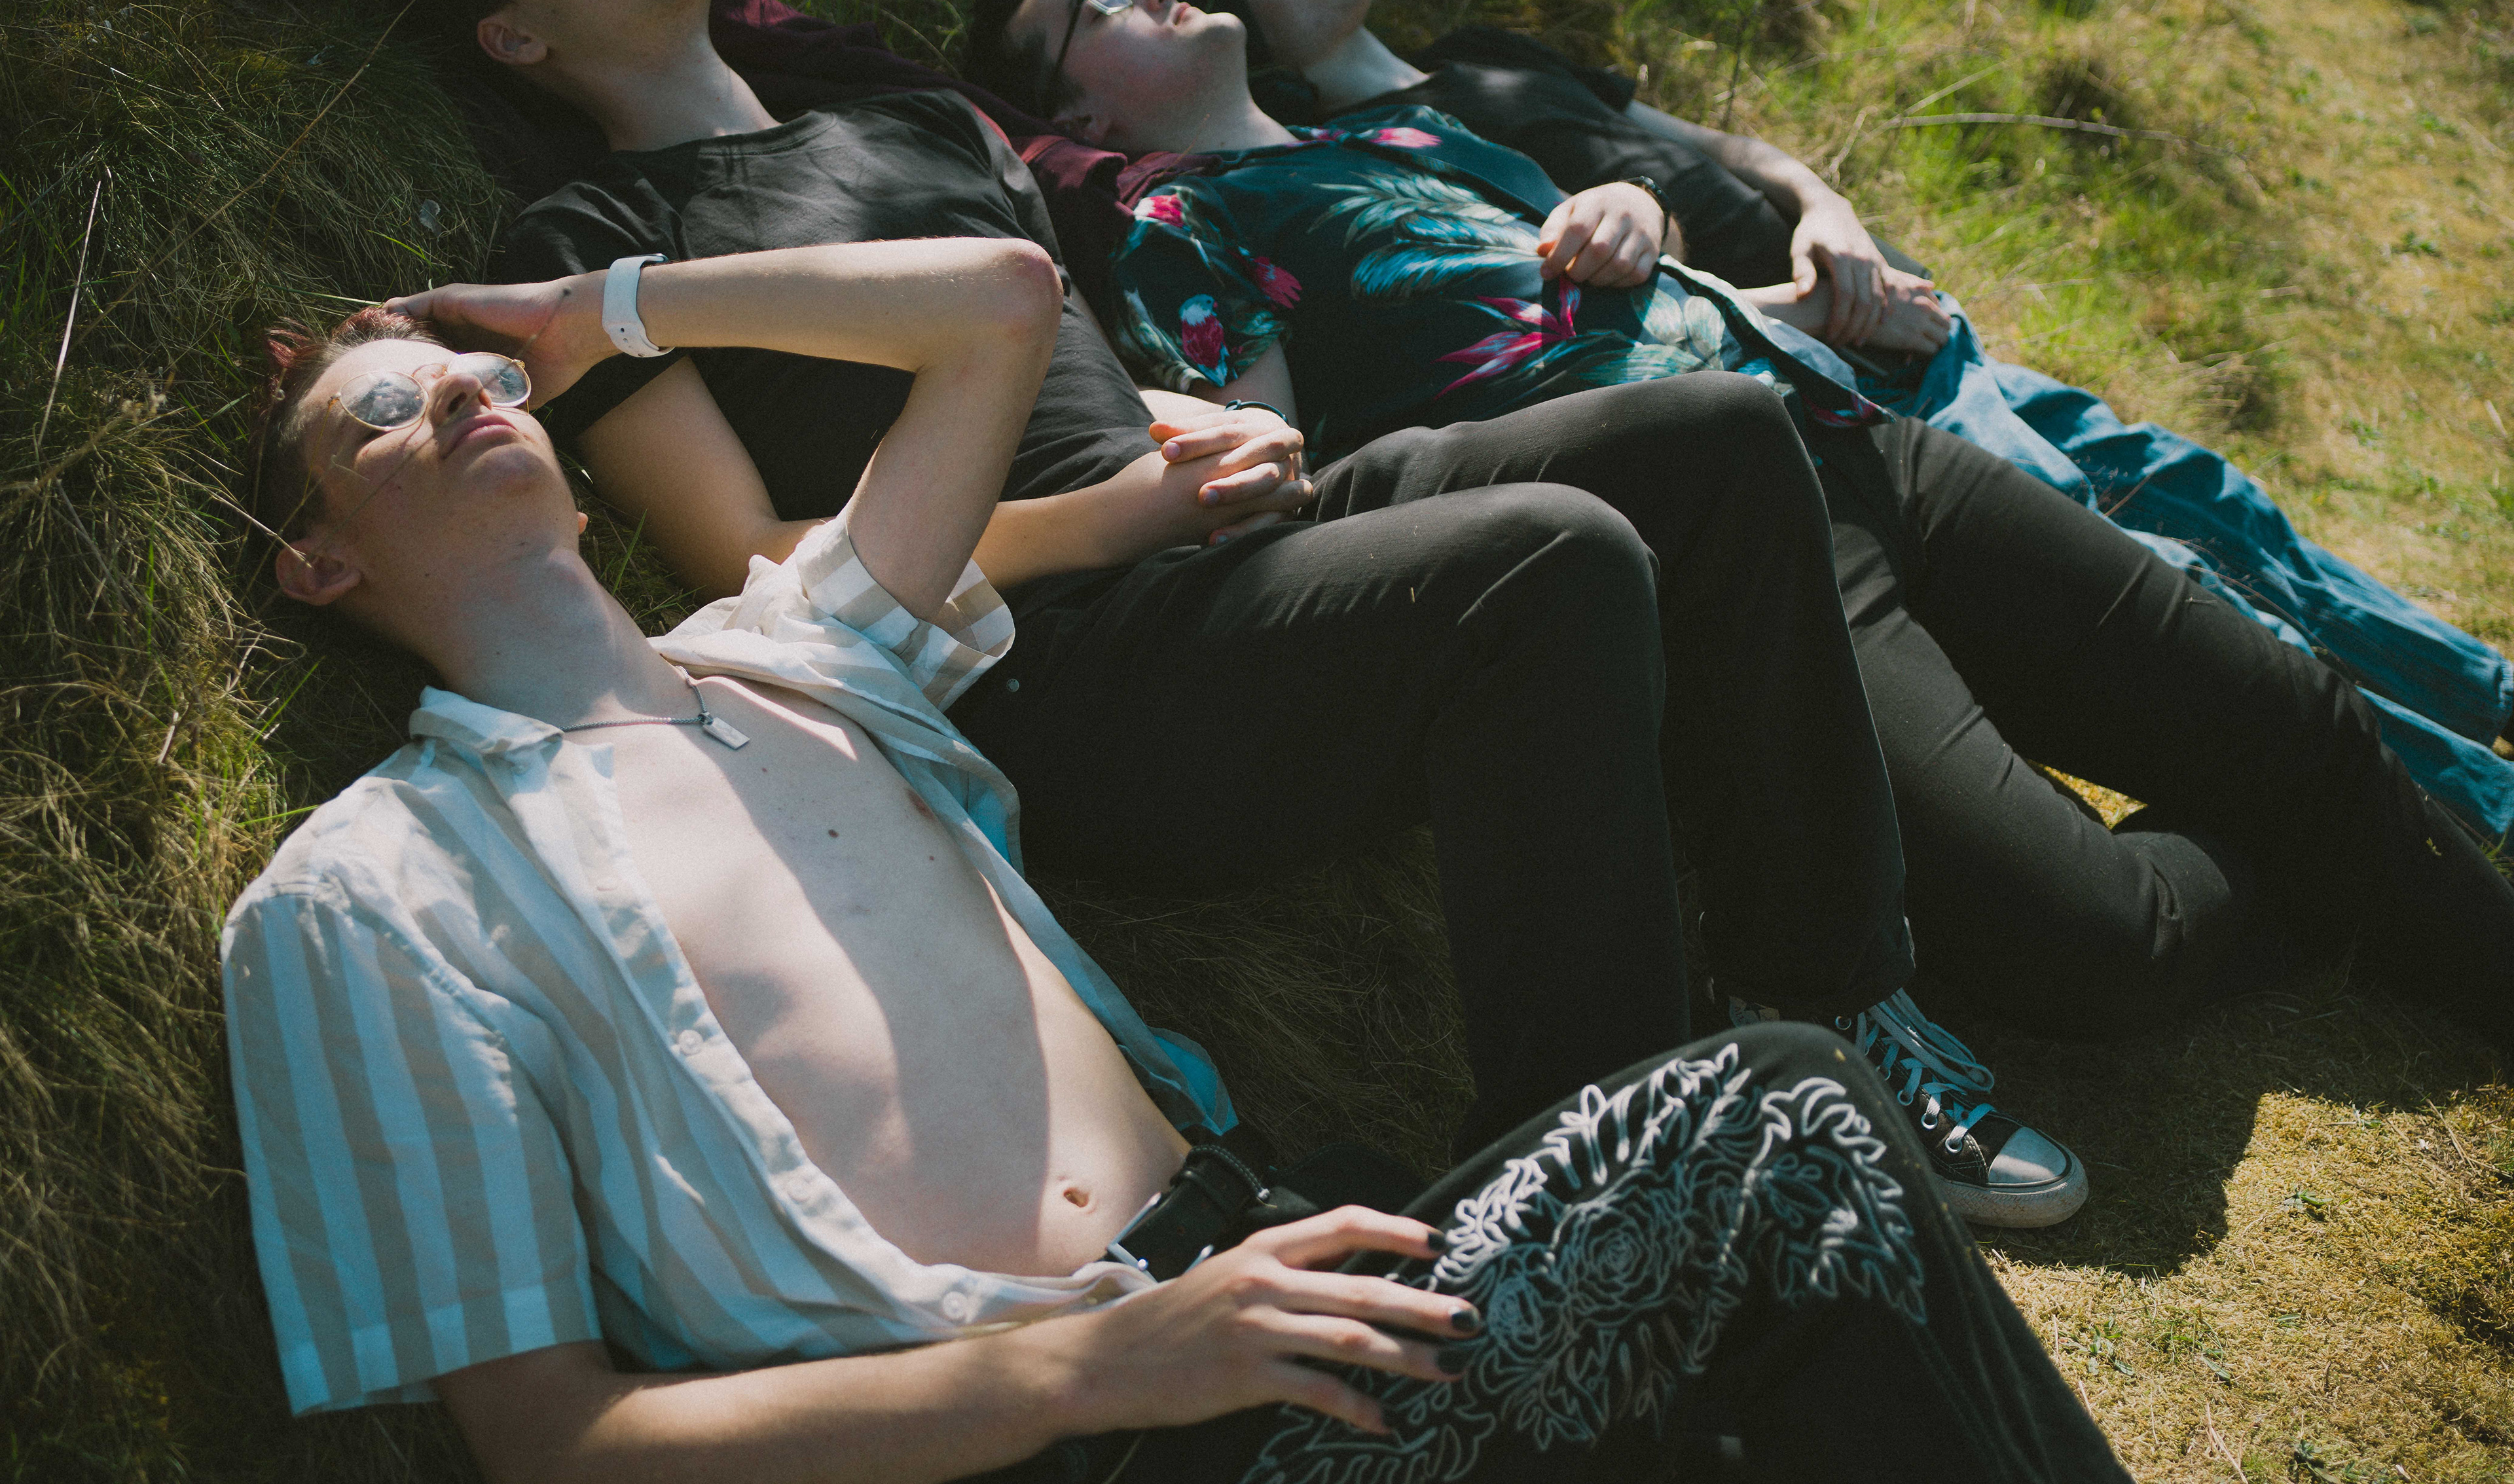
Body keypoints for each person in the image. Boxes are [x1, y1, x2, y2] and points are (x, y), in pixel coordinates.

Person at [399, 0, 2086, 1223]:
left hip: (1201, 541)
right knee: (1550, 562)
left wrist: (1203, 433)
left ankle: (1827, 991)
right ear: (512, 34)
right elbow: (759, 565)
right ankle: (1608, 1190)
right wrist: (1112, 521)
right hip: (1046, 662)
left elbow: (1079, 368)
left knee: (1710, 435)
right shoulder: (591, 246)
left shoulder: (907, 121)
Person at [221, 258, 2136, 1481]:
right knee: (1776, 1116)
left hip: (1291, 1273)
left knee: (1770, 1340)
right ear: (318, 561)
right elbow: (552, 1438)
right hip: (1083, 1431)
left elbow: (996, 300)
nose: (462, 391)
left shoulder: (795, 660)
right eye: (385, 407)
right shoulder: (365, 896)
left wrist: (607, 305)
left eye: (478, 371)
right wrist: (1098, 1369)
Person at [964, 0, 2514, 1059]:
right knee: (2104, 943)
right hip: (1751, 550)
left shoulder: (1410, 126)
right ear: (1083, 115)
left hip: (1855, 432)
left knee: (2302, 713)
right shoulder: (1179, 219)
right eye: (1095, 7)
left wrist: (1645, 213)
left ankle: (2378, 864)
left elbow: (1622, 287)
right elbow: (1286, 468)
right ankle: (2312, 855)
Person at [1078, 0, 2514, 842]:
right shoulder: (1355, 179)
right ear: (1240, 20)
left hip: (1887, 323)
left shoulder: (1478, 69)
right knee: (2178, 574)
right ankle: (2444, 810)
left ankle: (2488, 701)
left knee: (2217, 499)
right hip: (1819, 372)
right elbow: (1593, 337)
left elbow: (1725, 152)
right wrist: (1817, 311)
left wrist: (1836, 219)